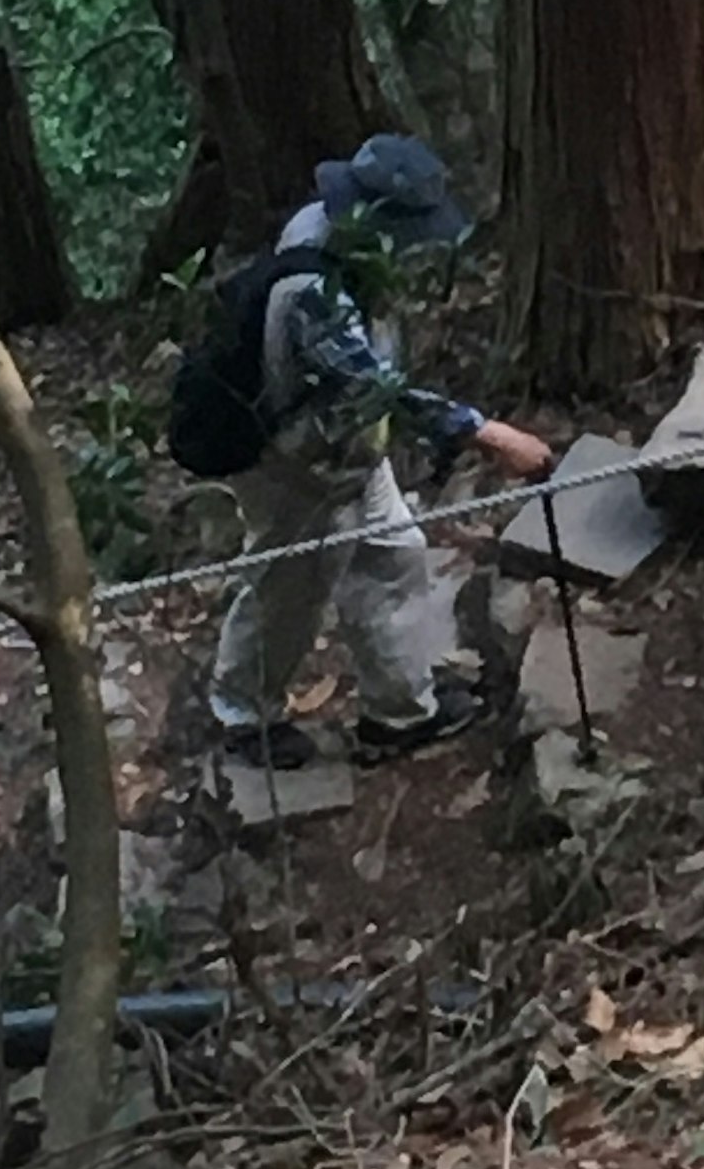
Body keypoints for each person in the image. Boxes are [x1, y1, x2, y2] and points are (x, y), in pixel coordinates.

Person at [204, 135, 552, 766]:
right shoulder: (314, 288)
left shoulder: (336, 237)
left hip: (348, 450)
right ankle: (243, 715)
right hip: (294, 466)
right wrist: (488, 433)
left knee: (394, 555)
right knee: (288, 589)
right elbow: (373, 386)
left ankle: (398, 712)